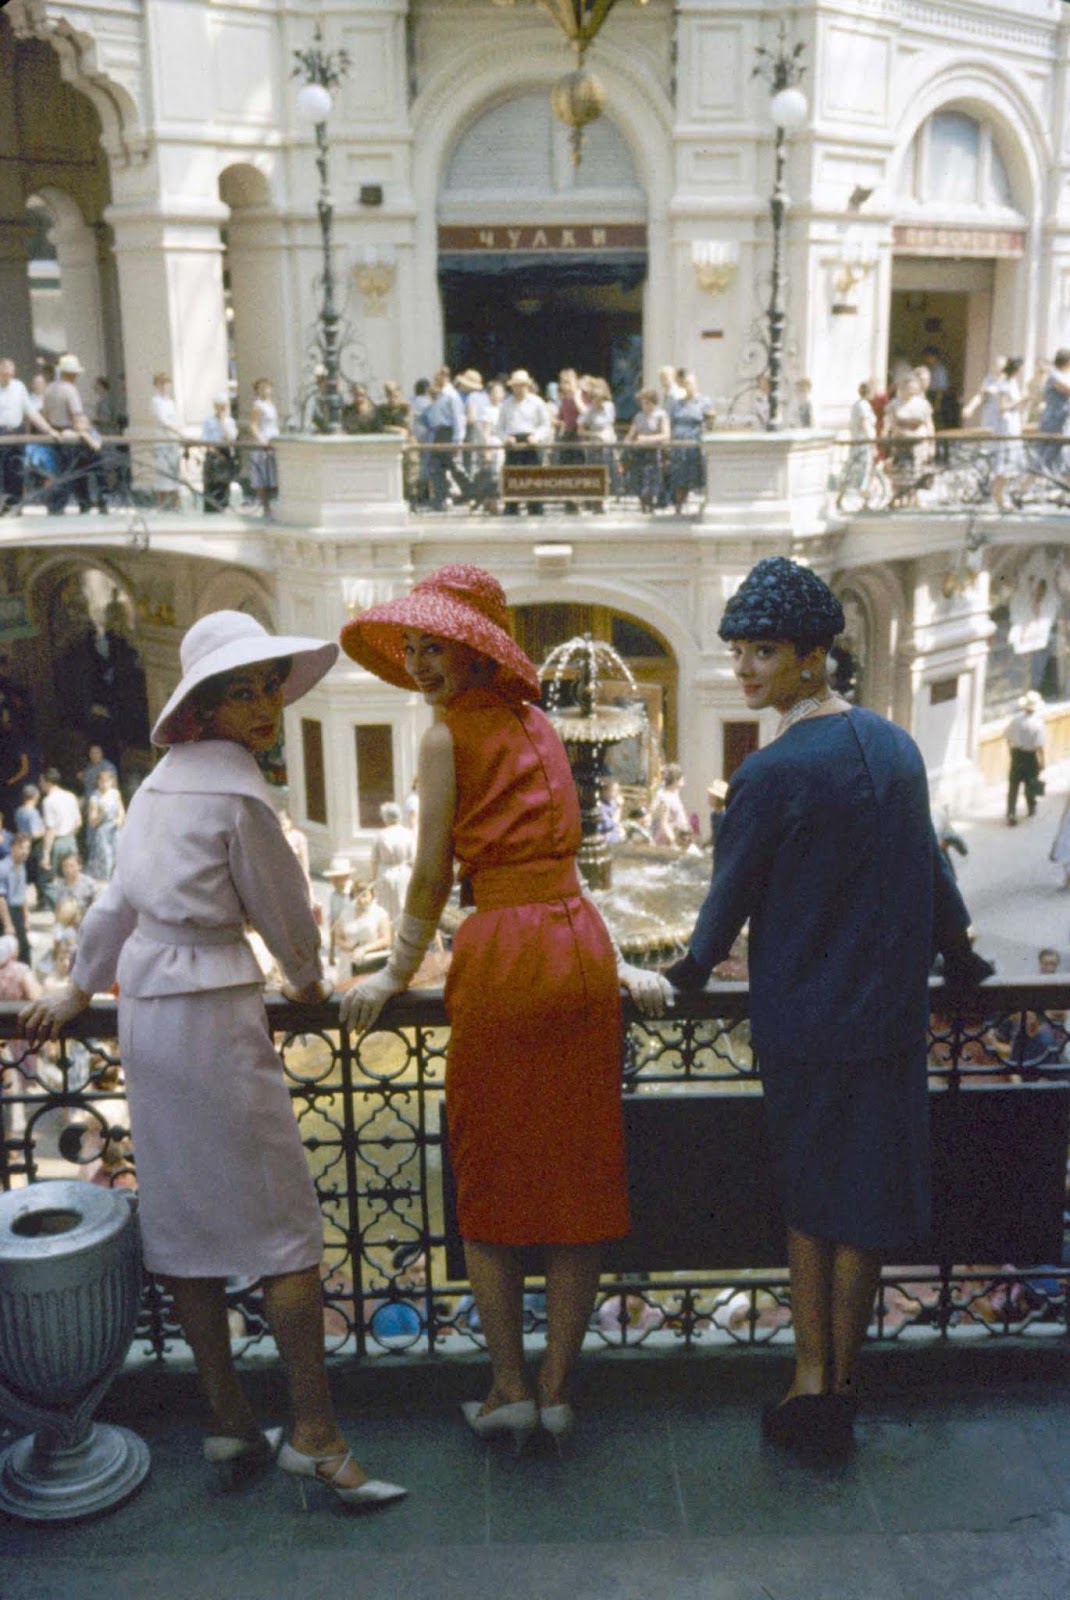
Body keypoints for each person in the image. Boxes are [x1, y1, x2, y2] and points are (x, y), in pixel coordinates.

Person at [20, 610, 405, 1510]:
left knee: (187, 1231)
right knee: (288, 1232)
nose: (265, 704)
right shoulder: (237, 793)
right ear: (206, 705)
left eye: (269, 684)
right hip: (216, 1009)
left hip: (148, 1015)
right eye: (244, 690)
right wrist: (308, 979)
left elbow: (114, 903)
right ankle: (313, 1433)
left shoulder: (156, 787)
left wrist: (79, 988)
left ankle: (229, 1416)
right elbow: (287, 914)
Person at [664, 556, 992, 1463]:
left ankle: (810, 1382)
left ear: (815, 657)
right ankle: (844, 1385)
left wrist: (686, 973)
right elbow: (932, 868)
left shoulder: (772, 771)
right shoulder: (894, 748)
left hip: (805, 1024)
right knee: (869, 1200)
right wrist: (961, 951)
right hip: (887, 1021)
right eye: (739, 653)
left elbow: (727, 900)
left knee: (813, 1203)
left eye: (762, 652)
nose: (746, 671)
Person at [339, 564, 672, 1446]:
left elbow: (429, 870)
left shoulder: (445, 737)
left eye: (432, 646)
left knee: (487, 1179)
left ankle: (508, 1390)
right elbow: (564, 858)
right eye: (411, 647)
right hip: (577, 947)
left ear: (472, 649)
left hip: (505, 958)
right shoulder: (542, 725)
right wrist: (620, 969)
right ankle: (559, 1393)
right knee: (578, 1176)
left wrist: (391, 971)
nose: (417, 662)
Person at [0, 356, 55, 515]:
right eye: (4, 372)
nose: (8, 375)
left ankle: (14, 505)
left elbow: (30, 412)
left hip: (16, 432)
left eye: (11, 372)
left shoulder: (19, 387)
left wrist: (48, 429)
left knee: (16, 470)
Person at [668, 373, 711, 513]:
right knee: (679, 476)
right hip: (678, 445)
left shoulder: (704, 402)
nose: (688, 386)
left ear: (695, 384)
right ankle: (678, 506)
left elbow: (709, 422)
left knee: (696, 474)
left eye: (690, 383)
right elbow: (671, 422)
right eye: (685, 383)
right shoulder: (677, 404)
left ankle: (701, 504)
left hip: (694, 444)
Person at [333, 880, 392, 979]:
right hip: (348, 962)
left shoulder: (380, 913)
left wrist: (364, 949)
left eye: (364, 895)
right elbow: (337, 938)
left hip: (371, 962)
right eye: (357, 894)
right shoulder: (346, 912)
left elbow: (386, 940)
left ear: (372, 896)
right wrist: (351, 947)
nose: (360, 899)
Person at [1006, 690, 1045, 825]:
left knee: (1013, 785)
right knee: (1031, 783)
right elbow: (1039, 745)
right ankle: (1031, 807)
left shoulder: (1015, 720)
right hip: (1030, 756)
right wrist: (1042, 761)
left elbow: (1007, 737)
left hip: (1017, 755)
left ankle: (1011, 812)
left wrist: (1011, 752)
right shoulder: (1038, 724)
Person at [371, 801, 415, 923]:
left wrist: (373, 880)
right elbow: (413, 860)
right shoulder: (408, 834)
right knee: (403, 905)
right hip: (404, 873)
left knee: (384, 908)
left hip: (385, 873)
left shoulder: (380, 835)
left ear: (385, 818)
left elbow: (374, 860)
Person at [40, 767, 83, 880]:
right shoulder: (71, 796)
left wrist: (46, 854)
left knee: (51, 878)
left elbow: (51, 829)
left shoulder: (48, 801)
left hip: (57, 842)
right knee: (73, 877)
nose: (40, 784)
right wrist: (70, 835)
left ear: (47, 782)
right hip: (71, 840)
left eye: (41, 781)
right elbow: (78, 823)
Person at [85, 767, 125, 882]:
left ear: (111, 782)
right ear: (98, 782)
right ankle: (105, 882)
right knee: (106, 859)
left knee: (118, 858)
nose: (104, 784)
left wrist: (120, 819)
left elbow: (121, 811)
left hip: (116, 831)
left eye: (107, 781)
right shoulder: (94, 797)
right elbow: (92, 822)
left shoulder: (115, 793)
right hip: (102, 832)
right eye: (101, 781)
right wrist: (101, 814)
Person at [150, 373, 184, 510]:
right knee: (162, 472)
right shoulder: (156, 401)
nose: (165, 387)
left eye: (167, 383)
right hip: (163, 440)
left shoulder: (170, 402)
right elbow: (163, 420)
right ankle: (160, 503)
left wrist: (178, 432)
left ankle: (176, 503)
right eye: (161, 383)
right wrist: (177, 431)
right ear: (157, 385)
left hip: (173, 441)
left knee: (175, 471)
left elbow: (176, 419)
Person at [249, 377, 280, 518]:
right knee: (262, 474)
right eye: (262, 388)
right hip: (263, 441)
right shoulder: (258, 405)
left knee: (273, 474)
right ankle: (264, 506)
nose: (266, 390)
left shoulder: (270, 404)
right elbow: (253, 425)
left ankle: (273, 504)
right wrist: (262, 441)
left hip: (273, 440)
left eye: (267, 387)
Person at [202, 393, 238, 513]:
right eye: (219, 406)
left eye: (224, 406)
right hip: (213, 451)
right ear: (215, 407)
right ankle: (210, 508)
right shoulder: (208, 421)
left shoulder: (230, 422)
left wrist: (223, 423)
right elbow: (205, 439)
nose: (221, 409)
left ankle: (223, 506)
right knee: (211, 482)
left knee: (224, 481)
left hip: (225, 451)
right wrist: (215, 452)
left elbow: (231, 438)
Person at [0, 833, 33, 964]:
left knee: (24, 949)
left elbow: (22, 893)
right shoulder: (3, 867)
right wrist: (8, 923)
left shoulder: (22, 866)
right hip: (7, 911)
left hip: (18, 911)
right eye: (21, 848)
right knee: (11, 950)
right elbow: (1, 898)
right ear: (13, 847)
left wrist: (26, 916)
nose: (25, 852)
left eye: (28, 848)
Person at [650, 764, 693, 849]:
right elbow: (664, 823)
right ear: (675, 780)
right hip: (667, 841)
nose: (683, 779)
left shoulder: (675, 795)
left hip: (679, 837)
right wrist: (674, 841)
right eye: (681, 778)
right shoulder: (665, 798)